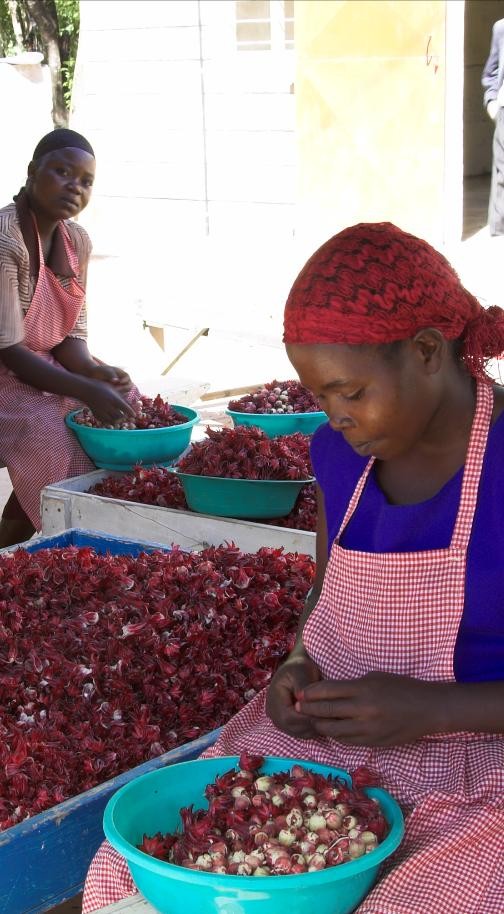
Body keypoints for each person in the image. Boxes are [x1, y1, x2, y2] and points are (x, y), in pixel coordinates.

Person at [83, 222, 504, 914]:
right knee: (132, 881)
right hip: (332, 749)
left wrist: (433, 709)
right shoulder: (340, 459)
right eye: (320, 396)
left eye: (350, 392)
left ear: (428, 353)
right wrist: (298, 670)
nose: (334, 417)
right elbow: (324, 596)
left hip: (480, 768)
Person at [0, 128, 136, 547]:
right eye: (62, 172)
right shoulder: (5, 239)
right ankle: (32, 547)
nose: (74, 186)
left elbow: (69, 336)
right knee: (51, 436)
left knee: (127, 401)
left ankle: (16, 542)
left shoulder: (76, 240)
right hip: (8, 372)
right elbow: (10, 350)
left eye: (86, 180)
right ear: (31, 173)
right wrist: (84, 387)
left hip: (42, 371)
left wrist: (96, 371)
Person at [482, 17, 504, 235]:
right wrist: (492, 104)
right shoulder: (501, 28)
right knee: (502, 176)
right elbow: (491, 72)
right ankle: (499, 234)